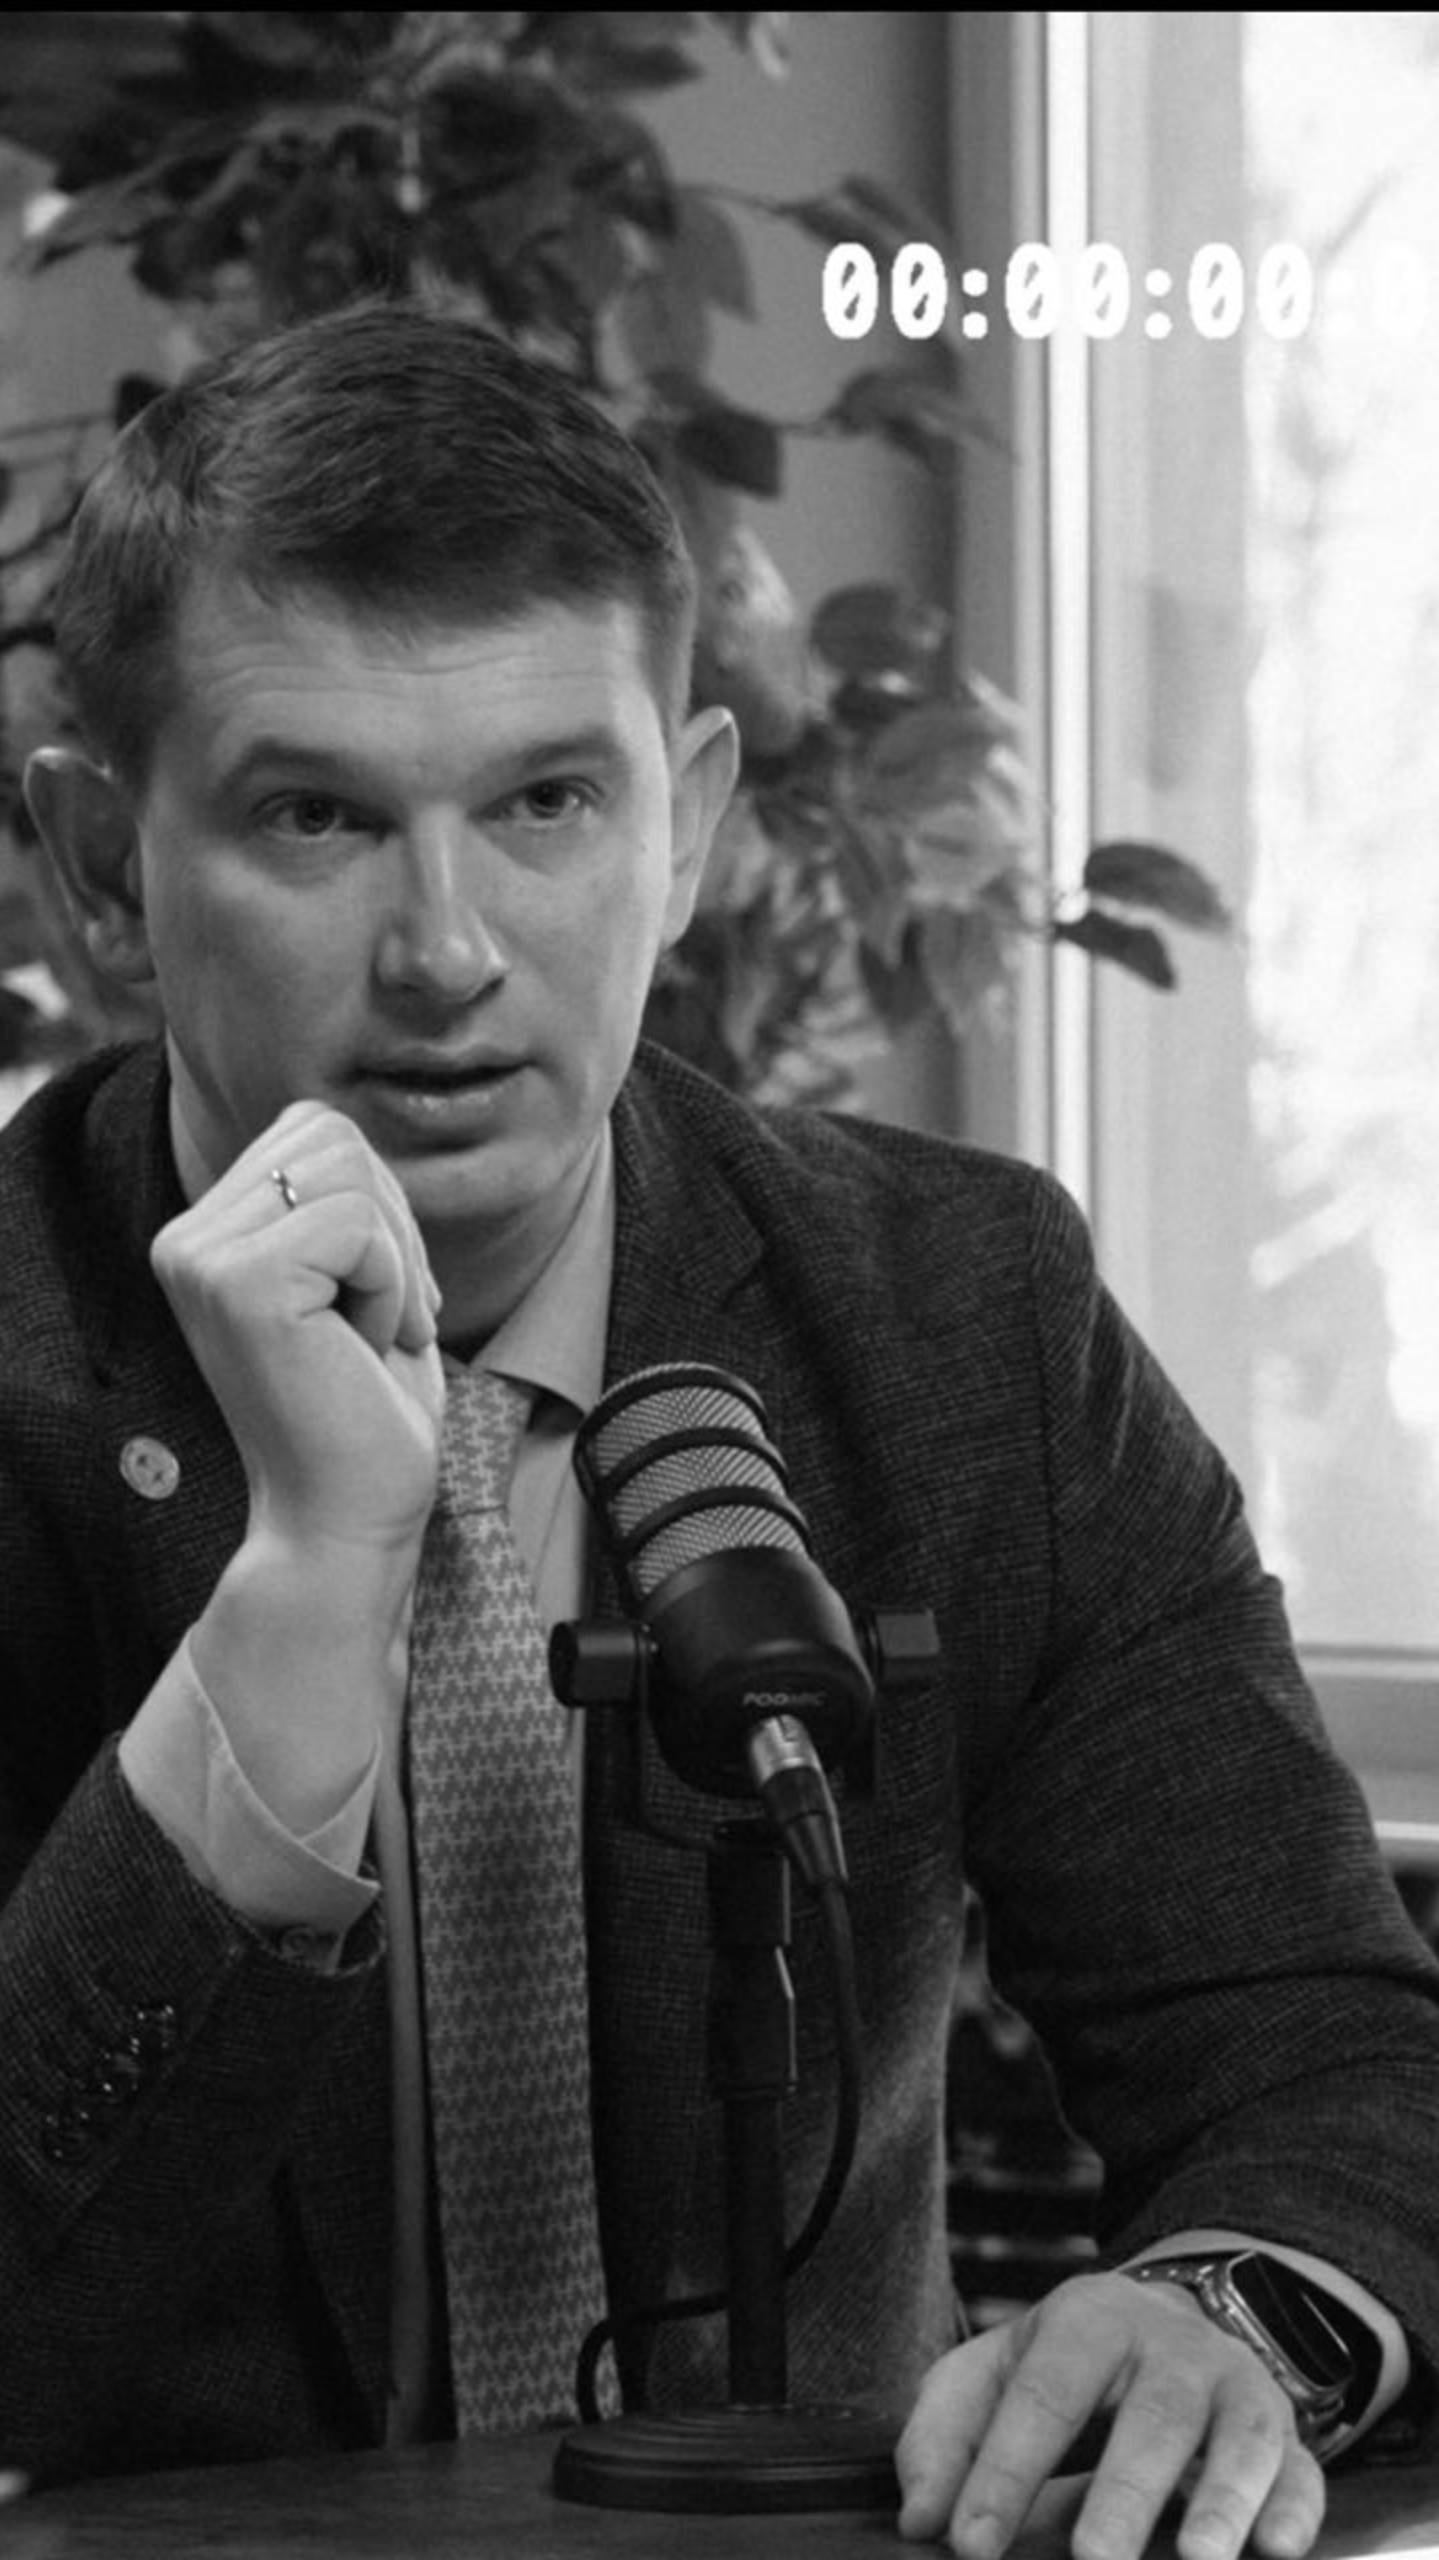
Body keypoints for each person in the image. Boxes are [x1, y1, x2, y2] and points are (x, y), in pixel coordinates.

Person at [2, 299, 1437, 2559]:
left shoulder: (965, 1313)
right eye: (316, 814)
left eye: (549, 802)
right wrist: (296, 1602)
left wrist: (1230, 2307)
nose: (449, 950)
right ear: (99, 855)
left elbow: (1330, 2045)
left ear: (690, 828)